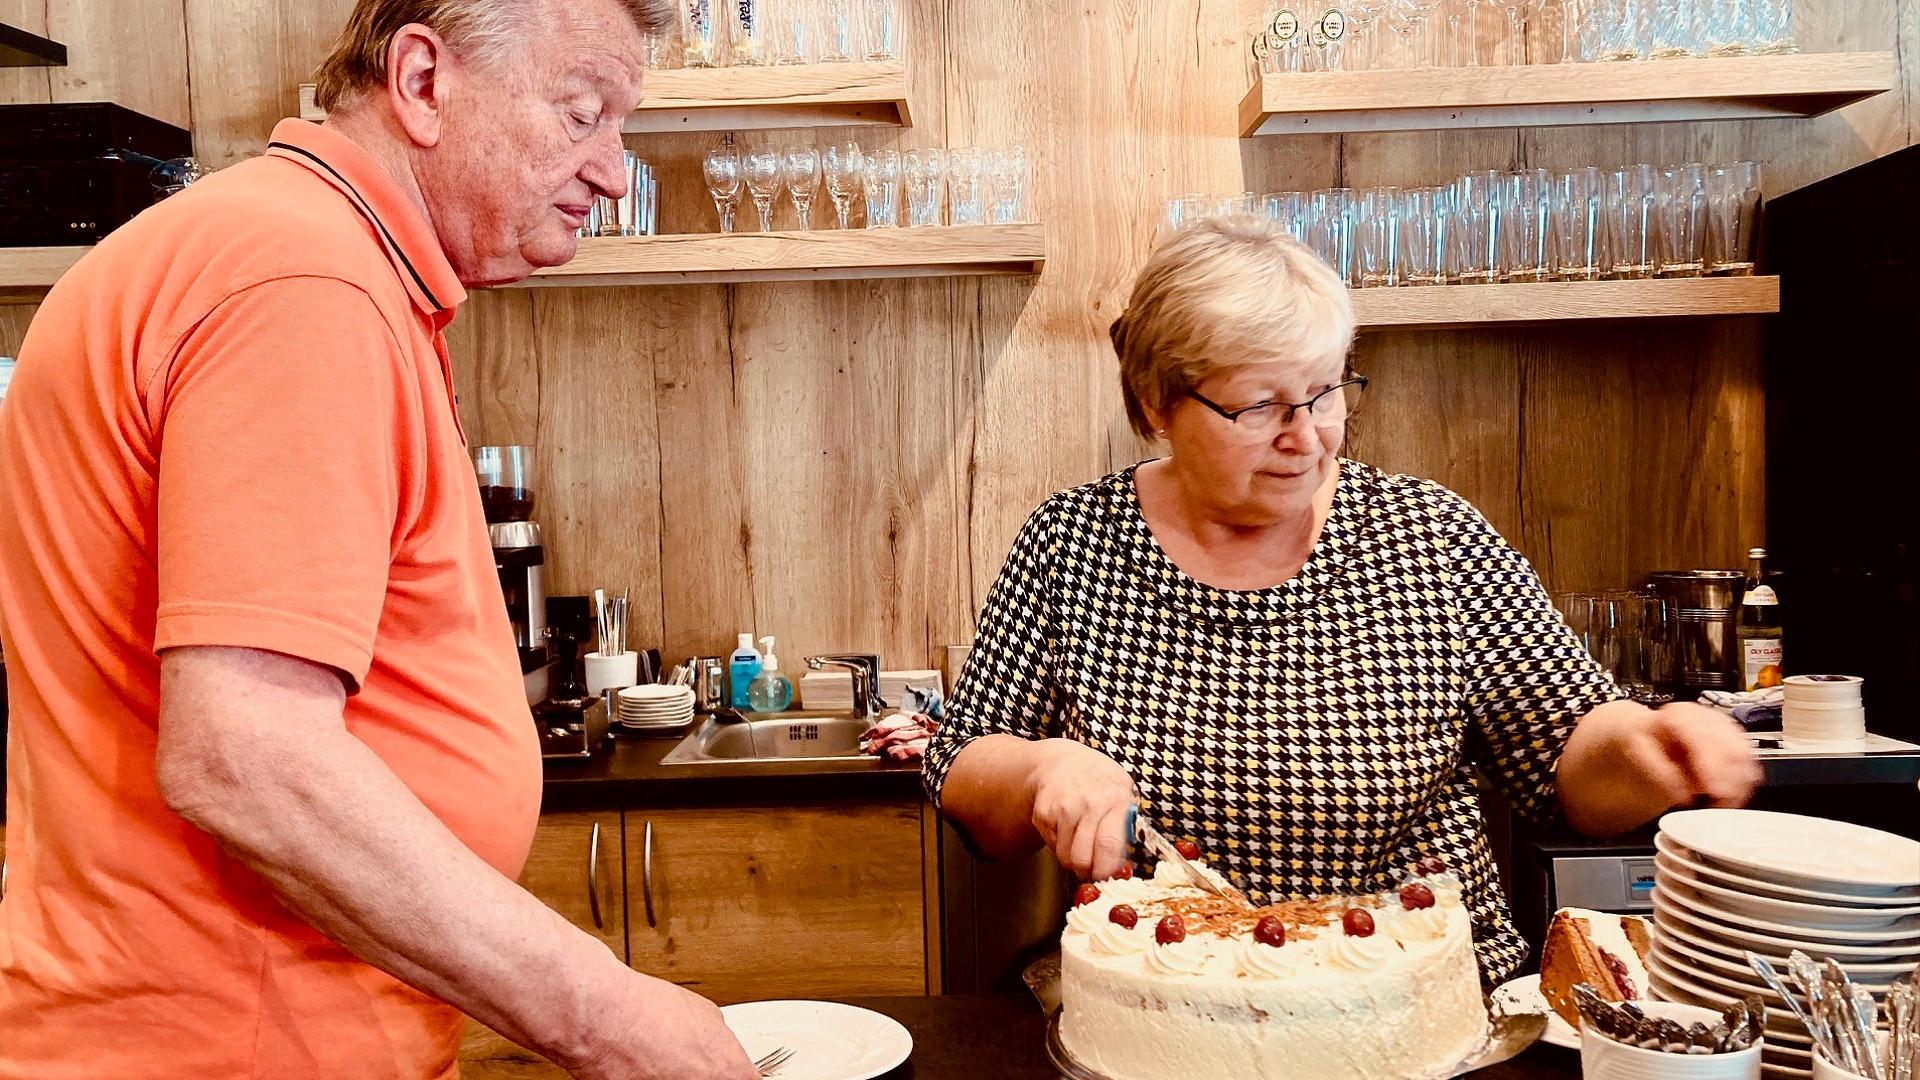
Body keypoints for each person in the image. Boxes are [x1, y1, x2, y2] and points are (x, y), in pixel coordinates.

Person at [0, 1, 756, 1077]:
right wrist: (604, 1014)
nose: (614, 172)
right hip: (231, 1047)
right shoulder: (302, 282)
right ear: (421, 81)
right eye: (582, 114)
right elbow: (247, 755)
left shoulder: (285, 254)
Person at [924, 215, 1762, 983]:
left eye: (1327, 390)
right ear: (1158, 404)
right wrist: (1046, 765)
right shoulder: (1074, 542)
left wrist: (1650, 747)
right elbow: (961, 767)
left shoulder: (1427, 533)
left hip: (1425, 1007)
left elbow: (1565, 750)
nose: (1309, 434)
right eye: (1261, 405)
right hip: (1175, 1002)